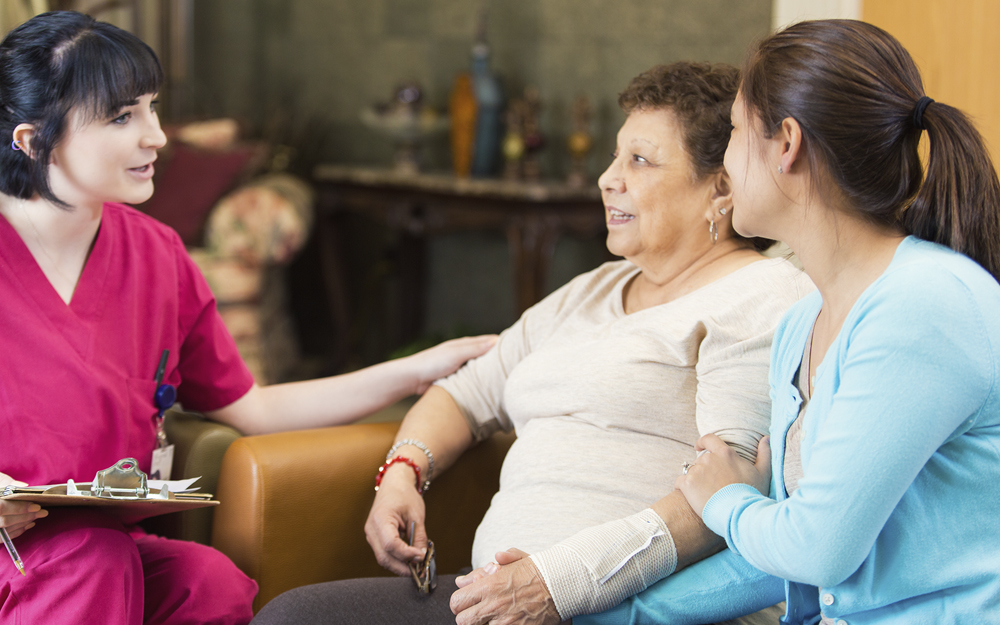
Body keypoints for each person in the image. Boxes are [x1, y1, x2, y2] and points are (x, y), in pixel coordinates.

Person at [252, 62, 813, 625]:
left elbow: (727, 493)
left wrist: (558, 583)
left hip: (631, 608)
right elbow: (465, 392)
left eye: (639, 160)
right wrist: (402, 471)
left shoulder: (759, 293)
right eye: (615, 157)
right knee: (292, 617)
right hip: (496, 600)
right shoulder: (592, 290)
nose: (608, 179)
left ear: (720, 187)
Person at [0, 11, 495, 625]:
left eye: (152, 108)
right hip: (17, 556)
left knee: (208, 582)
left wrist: (415, 370)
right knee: (91, 561)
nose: (156, 136)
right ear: (33, 139)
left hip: (101, 551)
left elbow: (254, 410)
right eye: (122, 116)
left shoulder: (157, 255)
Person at [670, 19, 1000, 625]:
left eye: (738, 132)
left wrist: (724, 499)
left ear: (786, 143)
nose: (725, 161)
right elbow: (776, 553)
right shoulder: (802, 326)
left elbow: (814, 546)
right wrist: (587, 611)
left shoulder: (925, 306)